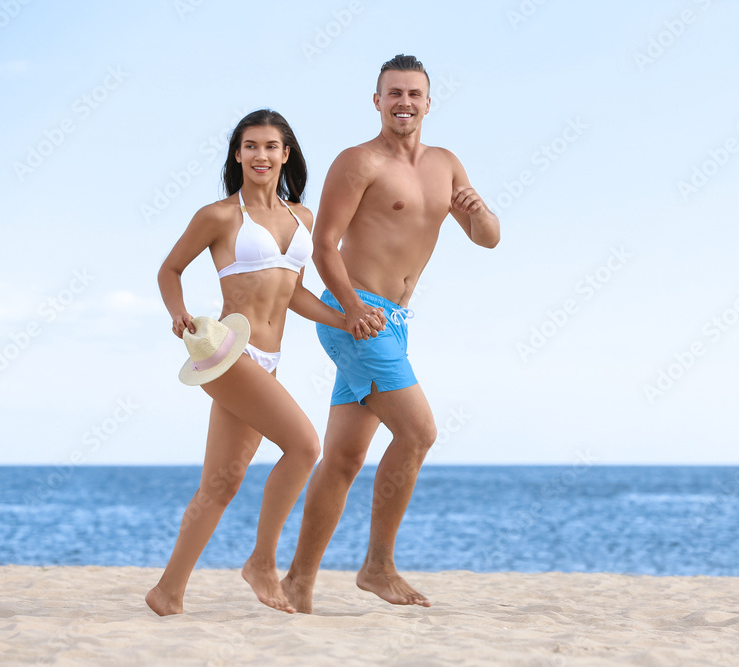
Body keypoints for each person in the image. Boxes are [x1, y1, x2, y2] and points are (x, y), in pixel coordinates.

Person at [281, 55, 501, 612]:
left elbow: (487, 239)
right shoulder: (358, 162)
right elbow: (325, 245)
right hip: (358, 314)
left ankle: (297, 582)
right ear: (376, 101)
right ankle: (377, 566)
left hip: (395, 323)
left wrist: (480, 211)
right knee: (420, 432)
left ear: (429, 102)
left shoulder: (446, 164)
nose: (404, 101)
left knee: (345, 458)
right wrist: (352, 308)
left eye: (414, 93)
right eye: (393, 92)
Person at [145, 109, 381, 616]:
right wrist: (178, 311)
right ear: (237, 154)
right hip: (229, 353)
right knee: (304, 445)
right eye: (251, 146)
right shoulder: (220, 216)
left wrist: (349, 319)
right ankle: (262, 561)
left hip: (268, 359)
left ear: (286, 154)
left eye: (271, 146)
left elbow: (294, 293)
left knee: (222, 483)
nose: (261, 155)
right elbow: (169, 269)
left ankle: (168, 592)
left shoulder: (302, 217)